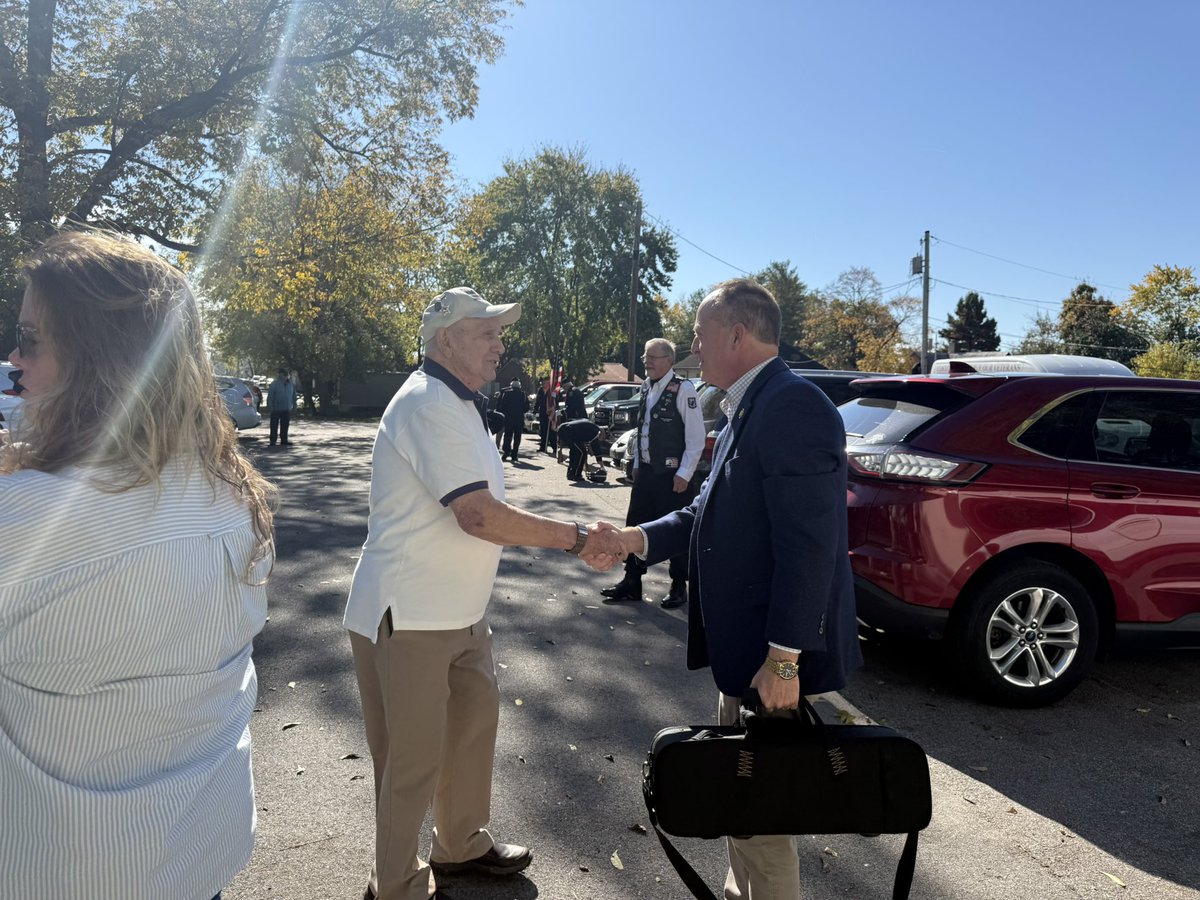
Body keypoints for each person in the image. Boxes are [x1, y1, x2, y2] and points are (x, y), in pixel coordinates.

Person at [0, 231, 276, 900]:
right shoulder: (237, 498)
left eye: (31, 339)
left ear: (98, 359)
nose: (14, 361)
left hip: (63, 867)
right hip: (201, 847)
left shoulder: (25, 516)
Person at [587, 278, 861, 900]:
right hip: (750, 658)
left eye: (700, 335)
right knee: (747, 796)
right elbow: (703, 513)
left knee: (765, 817)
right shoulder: (748, 405)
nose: (692, 347)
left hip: (772, 660)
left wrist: (785, 659)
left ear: (737, 334)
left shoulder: (792, 406)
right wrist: (631, 540)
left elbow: (809, 544)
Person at [343, 286, 617, 900]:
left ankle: (460, 844)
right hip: (408, 616)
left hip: (461, 612)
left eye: (499, 331)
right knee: (410, 763)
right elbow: (478, 515)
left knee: (470, 736)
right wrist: (576, 538)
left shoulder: (456, 403)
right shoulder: (427, 404)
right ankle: (394, 886)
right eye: (487, 332)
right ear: (447, 340)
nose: (501, 343)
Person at [601, 338, 705, 609]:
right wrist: (636, 463)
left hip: (673, 476)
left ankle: (678, 585)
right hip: (647, 472)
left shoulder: (684, 389)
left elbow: (696, 438)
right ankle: (632, 580)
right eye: (646, 356)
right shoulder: (647, 387)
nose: (647, 361)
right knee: (636, 524)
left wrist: (684, 473)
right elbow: (642, 429)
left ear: (669, 360)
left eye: (653, 357)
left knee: (676, 530)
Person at [561, 379, 587, 481]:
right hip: (576, 423)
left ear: (566, 386)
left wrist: (564, 412)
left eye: (564, 388)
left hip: (576, 423)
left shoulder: (573, 392)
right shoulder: (575, 391)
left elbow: (572, 407)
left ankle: (573, 473)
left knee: (578, 451)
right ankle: (574, 473)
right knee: (577, 451)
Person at [497, 378, 529, 462]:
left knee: (507, 435)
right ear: (519, 386)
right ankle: (514, 454)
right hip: (519, 418)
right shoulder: (523, 394)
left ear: (511, 386)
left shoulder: (507, 394)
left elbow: (502, 406)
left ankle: (506, 451)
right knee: (517, 437)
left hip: (509, 418)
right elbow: (526, 408)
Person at [266, 366, 296, 447]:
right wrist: (271, 407)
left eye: (283, 375)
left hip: (287, 408)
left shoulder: (291, 384)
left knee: (285, 425)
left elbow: (293, 396)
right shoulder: (275, 384)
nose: (281, 376)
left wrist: (294, 407)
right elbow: (270, 396)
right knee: (274, 426)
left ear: (286, 375)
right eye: (280, 374)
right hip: (276, 409)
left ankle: (284, 440)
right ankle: (273, 441)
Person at [535, 379, 552, 452]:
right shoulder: (540, 390)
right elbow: (538, 400)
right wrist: (535, 409)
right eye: (542, 383)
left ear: (548, 383)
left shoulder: (551, 390)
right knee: (543, 430)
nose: (542, 384)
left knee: (551, 430)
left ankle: (554, 447)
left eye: (544, 383)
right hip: (542, 412)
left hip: (550, 412)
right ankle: (542, 446)